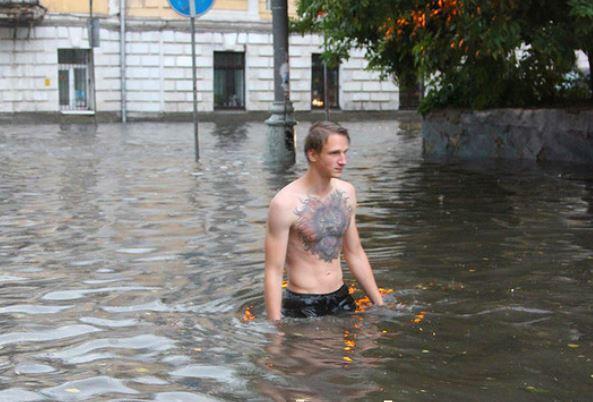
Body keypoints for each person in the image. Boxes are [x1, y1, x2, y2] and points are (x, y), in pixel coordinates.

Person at [264, 121, 384, 321]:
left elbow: (354, 252)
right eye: (334, 153)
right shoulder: (284, 203)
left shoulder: (346, 192)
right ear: (313, 154)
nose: (343, 160)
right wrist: (275, 328)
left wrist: (379, 303)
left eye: (345, 152)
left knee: (364, 350)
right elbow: (273, 271)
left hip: (340, 296)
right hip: (304, 302)